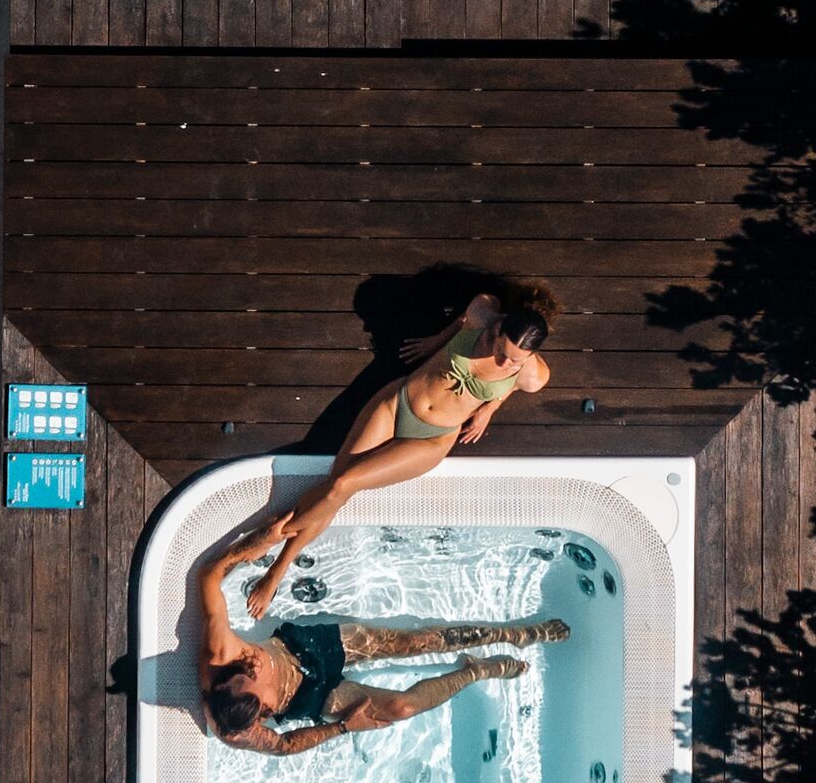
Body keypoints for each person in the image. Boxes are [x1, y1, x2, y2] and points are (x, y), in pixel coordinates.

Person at [225, 285, 556, 623]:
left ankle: (275, 558)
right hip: (396, 402)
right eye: (502, 351)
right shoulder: (482, 314)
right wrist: (435, 341)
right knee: (337, 486)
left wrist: (490, 405)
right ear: (499, 329)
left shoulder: (532, 373)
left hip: (431, 439)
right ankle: (271, 544)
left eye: (515, 360)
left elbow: (514, 383)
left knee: (341, 486)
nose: (504, 362)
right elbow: (467, 315)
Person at [197, 537, 569, 758]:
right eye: (259, 695)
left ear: (225, 682)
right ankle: (477, 670)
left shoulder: (221, 654)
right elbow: (283, 745)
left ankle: (517, 633)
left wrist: (261, 542)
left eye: (247, 674)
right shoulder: (234, 730)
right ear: (258, 713)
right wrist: (343, 728)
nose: (255, 671)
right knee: (401, 708)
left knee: (419, 642)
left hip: (305, 648)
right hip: (312, 698)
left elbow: (210, 576)